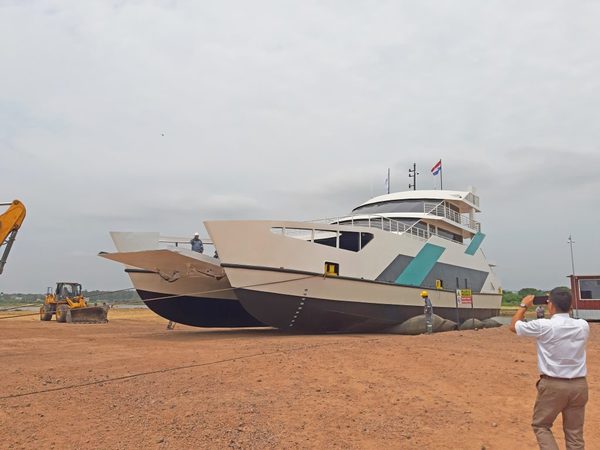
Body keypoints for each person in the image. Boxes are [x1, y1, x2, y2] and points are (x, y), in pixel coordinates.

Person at [509, 287, 590, 449]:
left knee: (542, 425)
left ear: (550, 305)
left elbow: (514, 326)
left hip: (553, 384)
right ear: (570, 305)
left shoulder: (544, 326)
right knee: (574, 433)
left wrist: (524, 305)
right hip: (579, 385)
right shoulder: (583, 325)